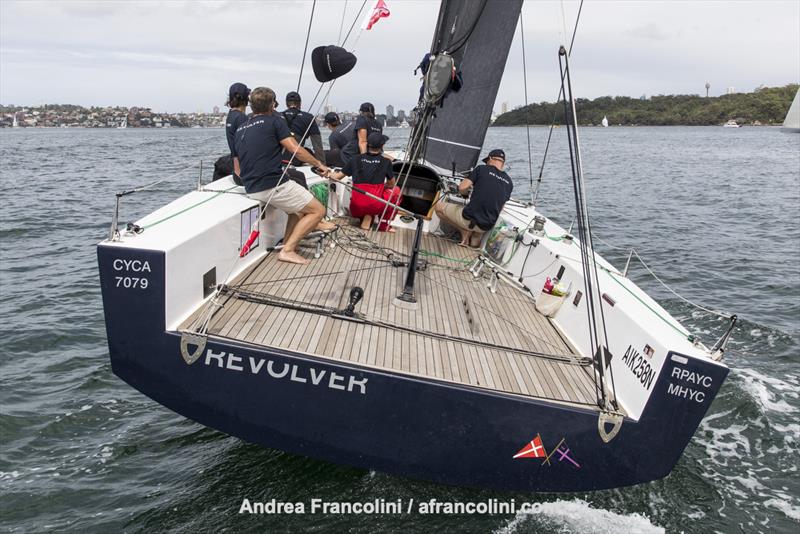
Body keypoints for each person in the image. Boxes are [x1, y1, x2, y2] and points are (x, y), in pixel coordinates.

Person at [235, 87, 330, 265]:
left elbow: (239, 163)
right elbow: (295, 150)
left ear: (251, 106)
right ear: (272, 104)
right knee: (318, 211)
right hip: (273, 185)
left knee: (295, 211)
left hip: (251, 187)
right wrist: (319, 164)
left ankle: (289, 243)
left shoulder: (241, 128)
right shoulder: (274, 121)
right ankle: (287, 251)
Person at [435, 149, 513, 248]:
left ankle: (463, 231)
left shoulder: (481, 169)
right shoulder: (509, 182)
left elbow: (462, 187)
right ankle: (472, 244)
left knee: (438, 207)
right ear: (503, 163)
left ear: (490, 158)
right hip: (486, 225)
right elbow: (500, 207)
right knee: (476, 237)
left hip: (468, 219)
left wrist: (464, 194)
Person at [328, 132, 401, 232]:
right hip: (374, 205)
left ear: (367, 144)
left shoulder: (355, 159)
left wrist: (326, 173)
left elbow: (337, 177)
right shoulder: (386, 162)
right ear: (382, 146)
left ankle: (365, 216)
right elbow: (391, 184)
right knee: (396, 191)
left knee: (366, 199)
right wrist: (381, 188)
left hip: (355, 207)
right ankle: (383, 225)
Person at [281, 91, 325, 166]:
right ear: (300, 103)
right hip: (296, 159)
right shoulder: (308, 117)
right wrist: (323, 164)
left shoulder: (277, 116)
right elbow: (317, 145)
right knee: (308, 151)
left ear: (286, 103)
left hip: (279, 160)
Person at [225, 82, 250, 182]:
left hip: (236, 171)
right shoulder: (242, 118)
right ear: (246, 99)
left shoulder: (230, 115)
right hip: (244, 173)